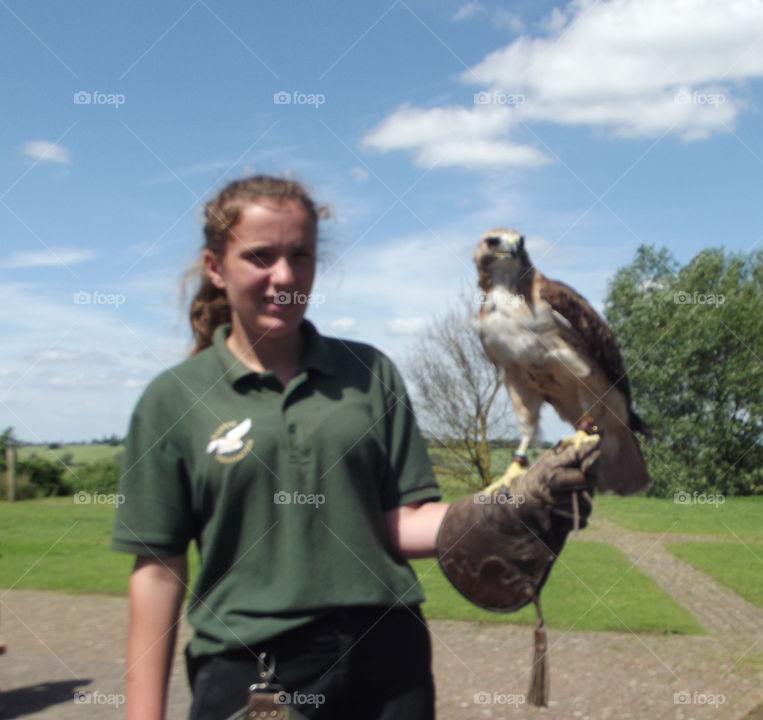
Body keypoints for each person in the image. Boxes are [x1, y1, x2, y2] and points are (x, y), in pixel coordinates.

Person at [112, 175, 597, 720]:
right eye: (260, 256)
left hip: (390, 662)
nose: (285, 276)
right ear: (215, 267)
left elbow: (398, 523)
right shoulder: (172, 399)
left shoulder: (369, 373)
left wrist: (503, 511)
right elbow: (157, 571)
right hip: (255, 673)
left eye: (301, 255)